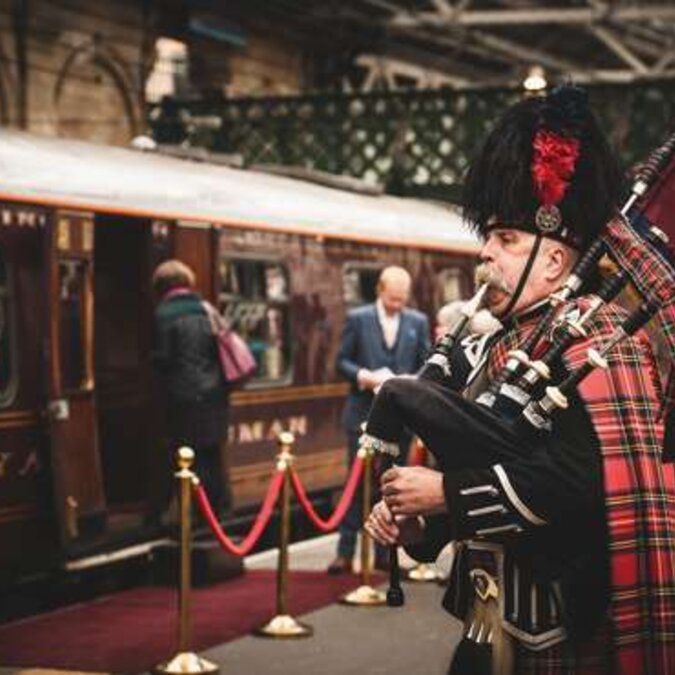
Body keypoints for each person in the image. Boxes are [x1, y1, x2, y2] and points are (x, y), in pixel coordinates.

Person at [365, 85, 675, 673]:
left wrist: (443, 493)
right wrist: (419, 525)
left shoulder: (604, 338)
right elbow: (479, 458)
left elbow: (579, 480)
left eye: (506, 240)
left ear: (557, 261)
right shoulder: (498, 342)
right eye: (488, 238)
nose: (486, 255)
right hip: (485, 622)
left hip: (563, 634)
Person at [327, 265, 431, 574]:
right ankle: (345, 553)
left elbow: (427, 364)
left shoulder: (418, 321)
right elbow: (340, 362)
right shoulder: (358, 319)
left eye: (402, 299)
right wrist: (366, 377)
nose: (398, 305)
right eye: (392, 299)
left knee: (392, 486)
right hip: (361, 412)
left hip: (401, 417)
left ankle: (386, 555)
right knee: (355, 483)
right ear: (380, 291)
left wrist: (411, 380)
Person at [147, 259, 232, 528]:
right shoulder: (205, 309)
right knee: (211, 455)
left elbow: (164, 358)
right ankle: (217, 511)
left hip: (182, 396)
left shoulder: (163, 315)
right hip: (214, 393)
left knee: (185, 455)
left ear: (160, 286)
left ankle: (186, 515)